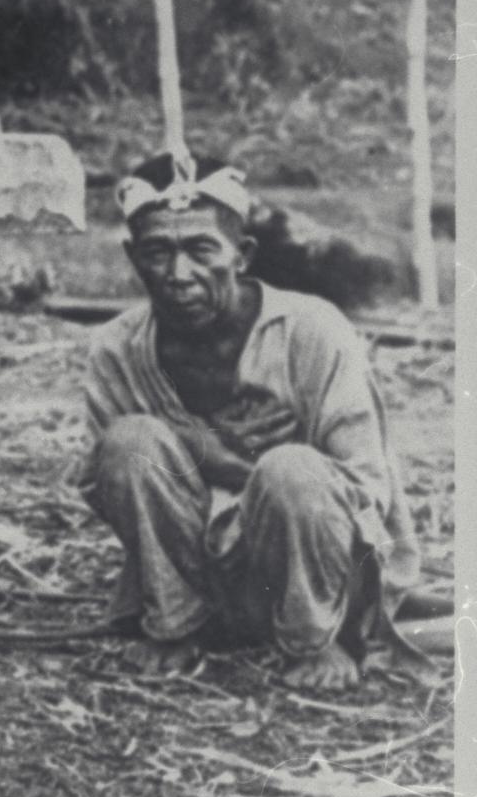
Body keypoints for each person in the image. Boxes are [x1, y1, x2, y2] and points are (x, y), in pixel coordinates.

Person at [78, 147, 434, 690]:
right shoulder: (117, 350)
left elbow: (367, 489)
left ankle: (314, 640)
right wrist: (191, 444)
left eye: (201, 249)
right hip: (204, 588)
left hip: (321, 583)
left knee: (291, 469)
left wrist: (239, 468)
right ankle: (175, 630)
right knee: (129, 443)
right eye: (157, 252)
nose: (179, 274)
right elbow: (110, 487)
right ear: (132, 257)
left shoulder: (312, 330)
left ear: (241, 254)